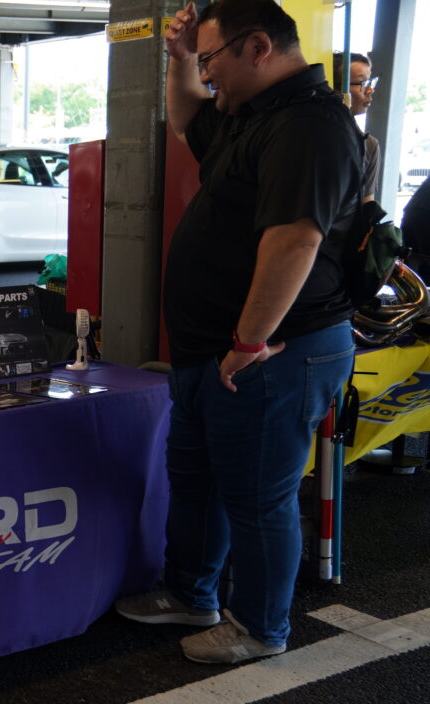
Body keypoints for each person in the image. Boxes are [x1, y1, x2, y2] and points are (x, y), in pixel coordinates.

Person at [115, 0, 360, 664]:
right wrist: (178, 60)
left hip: (274, 351)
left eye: (211, 59)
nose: (206, 74)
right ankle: (191, 593)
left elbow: (295, 241)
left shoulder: (308, 124)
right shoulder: (251, 113)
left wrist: (249, 341)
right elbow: (186, 119)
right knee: (196, 480)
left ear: (258, 48)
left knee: (256, 497)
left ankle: (258, 626)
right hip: (217, 350)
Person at [333, 51, 381, 203]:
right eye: (362, 83)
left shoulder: (369, 145)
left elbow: (367, 205)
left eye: (370, 82)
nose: (370, 90)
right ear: (336, 88)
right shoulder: (309, 134)